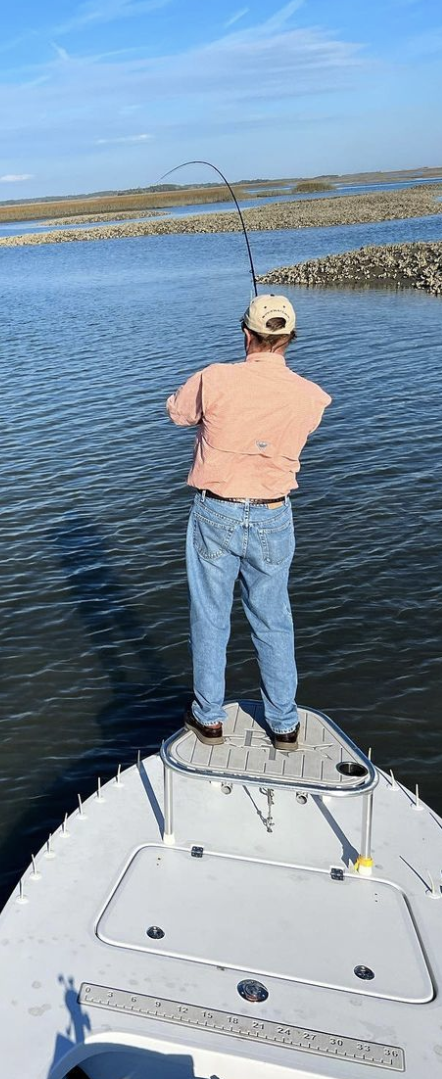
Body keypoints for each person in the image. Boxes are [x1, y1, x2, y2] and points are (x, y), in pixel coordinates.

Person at [166, 294, 330, 751]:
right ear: (288, 339)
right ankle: (283, 725)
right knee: (274, 619)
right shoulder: (310, 396)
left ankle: (209, 718)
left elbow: (177, 413)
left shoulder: (214, 379)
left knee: (210, 617)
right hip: (274, 514)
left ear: (246, 334)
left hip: (215, 511)